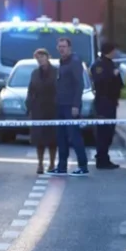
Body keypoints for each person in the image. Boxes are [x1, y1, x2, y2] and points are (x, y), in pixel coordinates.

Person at [51, 36, 90, 176]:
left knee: (74, 136)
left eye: (64, 46)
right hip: (60, 104)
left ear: (69, 48)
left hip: (70, 105)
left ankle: (83, 165)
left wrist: (75, 105)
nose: (61, 49)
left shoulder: (74, 61)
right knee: (61, 136)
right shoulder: (62, 62)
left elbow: (79, 84)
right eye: (59, 46)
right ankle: (61, 166)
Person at [90, 41, 124, 170]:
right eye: (114, 50)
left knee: (109, 131)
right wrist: (112, 75)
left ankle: (104, 156)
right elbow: (99, 81)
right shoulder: (99, 65)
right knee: (103, 132)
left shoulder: (111, 64)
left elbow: (119, 83)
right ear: (110, 51)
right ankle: (101, 158)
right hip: (103, 102)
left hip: (111, 101)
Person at [26, 48, 59, 174]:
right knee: (39, 139)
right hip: (38, 108)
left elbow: (60, 88)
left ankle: (51, 163)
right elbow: (31, 90)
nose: (40, 60)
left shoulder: (56, 71)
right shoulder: (35, 73)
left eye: (42, 57)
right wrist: (29, 105)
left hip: (53, 108)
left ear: (47, 57)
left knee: (52, 139)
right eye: (38, 58)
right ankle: (40, 163)